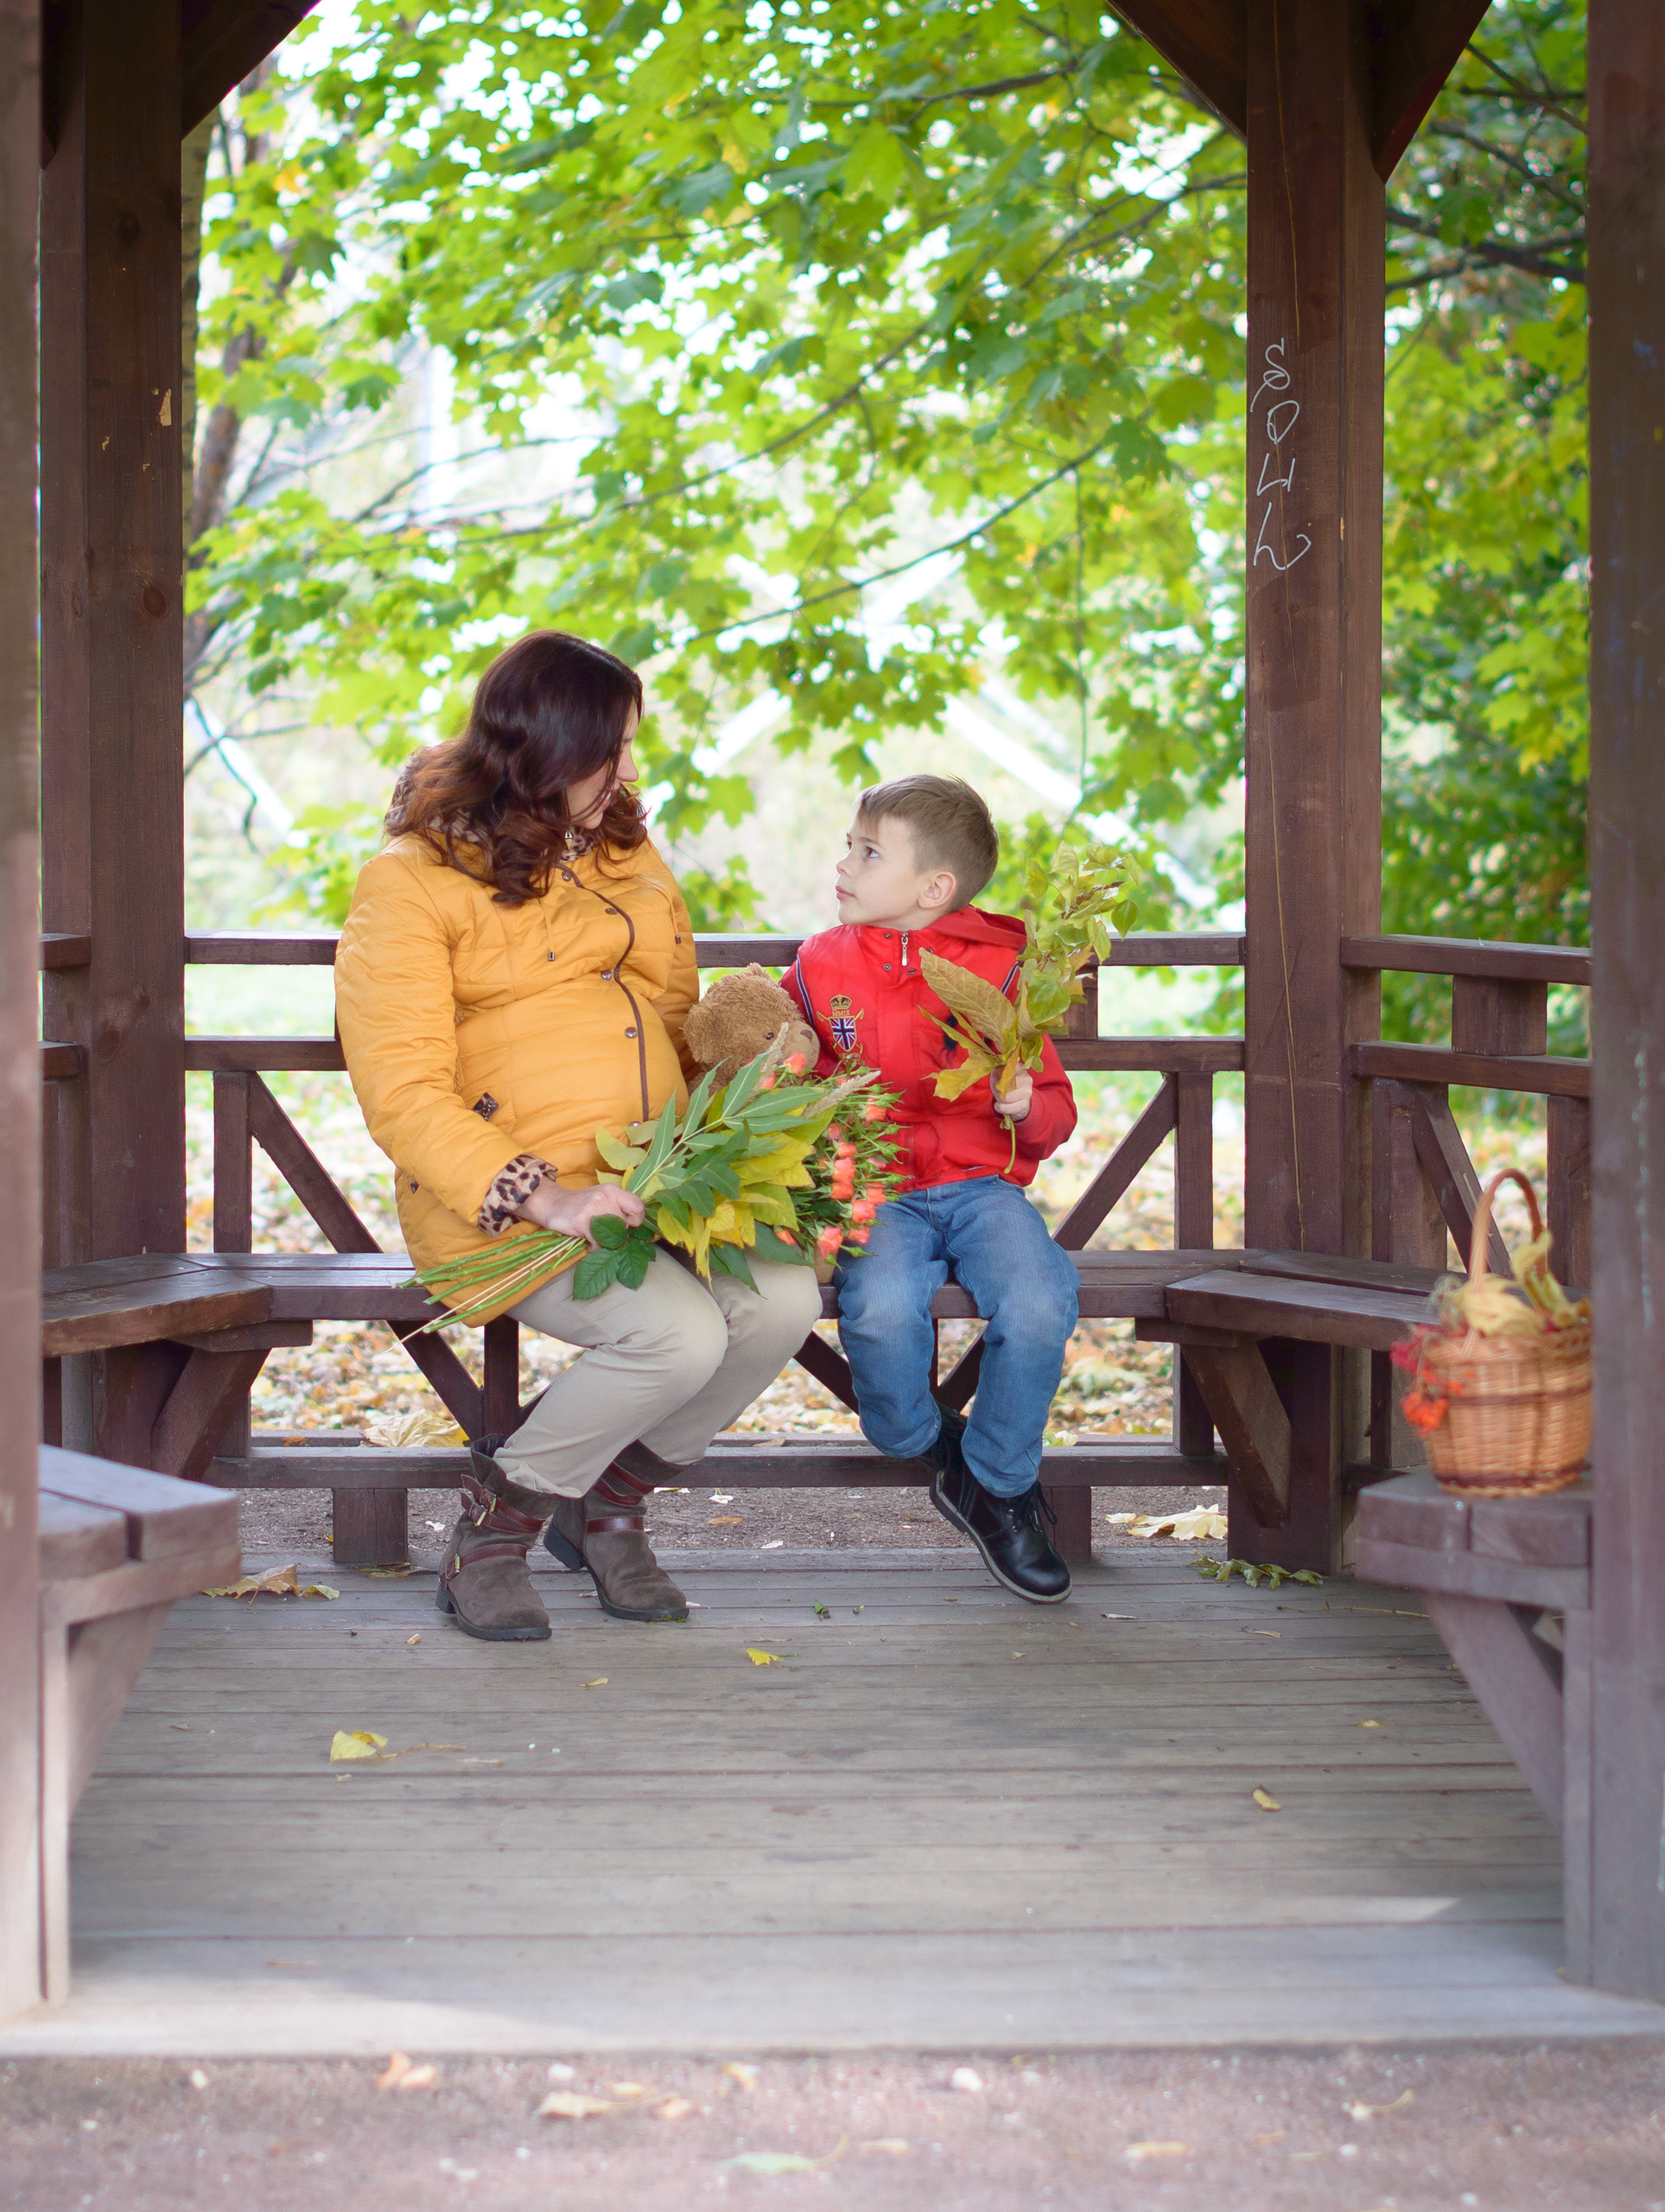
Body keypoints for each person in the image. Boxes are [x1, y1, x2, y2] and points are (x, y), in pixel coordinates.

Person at [334, 632, 822, 1643]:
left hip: (657, 1178)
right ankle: (497, 1532)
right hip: (505, 1203)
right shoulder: (409, 882)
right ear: (547, 749)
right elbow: (400, 1090)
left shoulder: (622, 847)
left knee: (780, 1301)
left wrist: (749, 1091)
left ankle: (609, 1507)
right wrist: (542, 1194)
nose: (632, 770)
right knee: (675, 1334)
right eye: (615, 749)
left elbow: (678, 1015)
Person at [783, 775, 1082, 1603]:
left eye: (867, 852)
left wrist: (1027, 1103)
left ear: (933, 888)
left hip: (981, 1187)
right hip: (878, 1188)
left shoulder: (1002, 970)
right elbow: (787, 1053)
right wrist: (781, 1071)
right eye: (849, 844)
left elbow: (1055, 1108)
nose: (842, 863)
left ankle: (1001, 1483)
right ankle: (929, 1444)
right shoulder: (820, 962)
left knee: (1039, 1301)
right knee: (876, 1312)